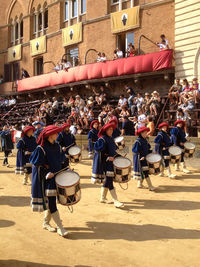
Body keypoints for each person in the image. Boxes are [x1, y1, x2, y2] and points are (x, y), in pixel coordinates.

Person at [30, 125, 68, 237]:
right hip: (47, 180)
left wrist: (66, 168)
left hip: (57, 178)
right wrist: (46, 173)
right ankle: (61, 228)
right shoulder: (40, 149)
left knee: (52, 202)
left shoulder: (57, 146)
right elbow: (37, 166)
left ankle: (46, 223)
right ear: (49, 135)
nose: (57, 135)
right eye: (55, 133)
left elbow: (62, 160)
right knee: (52, 203)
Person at [92, 123, 124, 208]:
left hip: (111, 163)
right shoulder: (102, 140)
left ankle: (103, 197)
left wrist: (119, 157)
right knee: (110, 181)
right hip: (105, 163)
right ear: (105, 131)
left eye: (112, 129)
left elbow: (113, 152)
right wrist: (107, 157)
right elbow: (98, 151)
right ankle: (116, 200)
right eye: (109, 129)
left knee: (108, 180)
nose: (111, 131)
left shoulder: (111, 139)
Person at [132, 126, 155, 191]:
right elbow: (135, 151)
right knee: (145, 172)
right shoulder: (138, 141)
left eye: (146, 132)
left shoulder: (145, 140)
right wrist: (140, 157)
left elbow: (148, 149)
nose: (146, 134)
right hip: (141, 159)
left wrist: (153, 152)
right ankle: (150, 186)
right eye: (145, 133)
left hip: (145, 158)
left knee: (144, 172)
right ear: (141, 133)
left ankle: (139, 184)